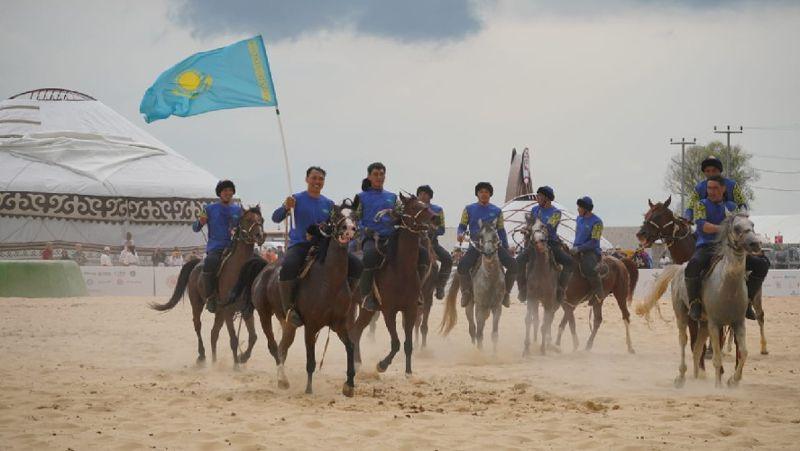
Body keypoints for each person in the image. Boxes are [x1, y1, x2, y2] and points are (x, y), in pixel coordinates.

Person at [272, 166, 362, 326]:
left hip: (323, 245)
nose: (317, 181)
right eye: (314, 178)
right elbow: (276, 218)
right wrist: (286, 207)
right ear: (307, 179)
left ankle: (348, 302)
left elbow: (334, 226)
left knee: (356, 265)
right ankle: (289, 309)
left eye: (320, 179)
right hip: (300, 244)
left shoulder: (328, 204)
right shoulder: (295, 199)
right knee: (288, 266)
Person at [684, 175, 768, 321]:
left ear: (723, 189)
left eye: (715, 188)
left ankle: (747, 302)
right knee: (693, 265)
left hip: (730, 248)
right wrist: (726, 228)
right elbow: (704, 226)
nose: (711, 191)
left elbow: (742, 225)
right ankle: (695, 303)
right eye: (709, 188)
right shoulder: (700, 205)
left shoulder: (732, 207)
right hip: (707, 246)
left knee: (762, 265)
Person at [356, 162, 424, 311]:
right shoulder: (360, 197)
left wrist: (400, 217)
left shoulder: (392, 197)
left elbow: (401, 215)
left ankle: (416, 292)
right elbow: (355, 218)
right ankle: (367, 295)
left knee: (422, 254)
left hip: (393, 236)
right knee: (368, 257)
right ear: (369, 176)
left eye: (381, 174)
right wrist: (363, 229)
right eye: (375, 174)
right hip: (371, 237)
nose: (379, 177)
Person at [456, 182, 517, 307]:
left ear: (490, 194)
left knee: (513, 265)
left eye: (486, 192)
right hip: (476, 245)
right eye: (481, 192)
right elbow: (462, 226)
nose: (484, 194)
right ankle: (466, 292)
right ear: (477, 194)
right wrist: (460, 233)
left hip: (494, 246)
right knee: (462, 266)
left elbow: (501, 230)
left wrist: (506, 247)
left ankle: (506, 293)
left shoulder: (497, 211)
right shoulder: (468, 209)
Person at [515, 186, 573, 305]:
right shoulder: (534, 210)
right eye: (538, 195)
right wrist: (526, 229)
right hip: (534, 243)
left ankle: (561, 289)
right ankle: (522, 289)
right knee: (518, 260)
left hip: (550, 242)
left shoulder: (556, 213)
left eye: (540, 196)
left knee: (569, 262)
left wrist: (536, 229)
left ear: (547, 198)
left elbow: (549, 228)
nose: (537, 198)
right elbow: (530, 224)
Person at [192, 179, 243, 313]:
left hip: (234, 247)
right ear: (220, 193)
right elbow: (195, 228)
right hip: (216, 247)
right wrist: (200, 221)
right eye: (225, 190)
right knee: (210, 262)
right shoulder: (208, 209)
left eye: (230, 190)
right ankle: (210, 298)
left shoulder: (239, 210)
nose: (228, 193)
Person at [416, 185, 453, 300]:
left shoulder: (437, 210)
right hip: (415, 242)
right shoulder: (413, 207)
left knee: (447, 259)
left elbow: (442, 230)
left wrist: (432, 228)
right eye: (420, 193)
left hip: (432, 243)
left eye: (426, 194)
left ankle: (440, 286)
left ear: (430, 196)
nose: (423, 196)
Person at [684, 156, 747, 222]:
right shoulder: (699, 188)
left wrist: (743, 216)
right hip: (706, 226)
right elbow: (691, 207)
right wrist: (687, 217)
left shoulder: (732, 185)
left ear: (720, 171)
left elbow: (741, 204)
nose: (711, 173)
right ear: (704, 172)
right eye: (707, 171)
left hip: (730, 224)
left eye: (714, 170)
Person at [572, 196, 605, 306]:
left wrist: (579, 248)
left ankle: (598, 292)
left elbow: (594, 241)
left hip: (591, 251)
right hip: (576, 249)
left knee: (588, 267)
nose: (578, 209)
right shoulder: (578, 219)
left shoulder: (597, 222)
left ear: (586, 208)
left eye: (580, 207)